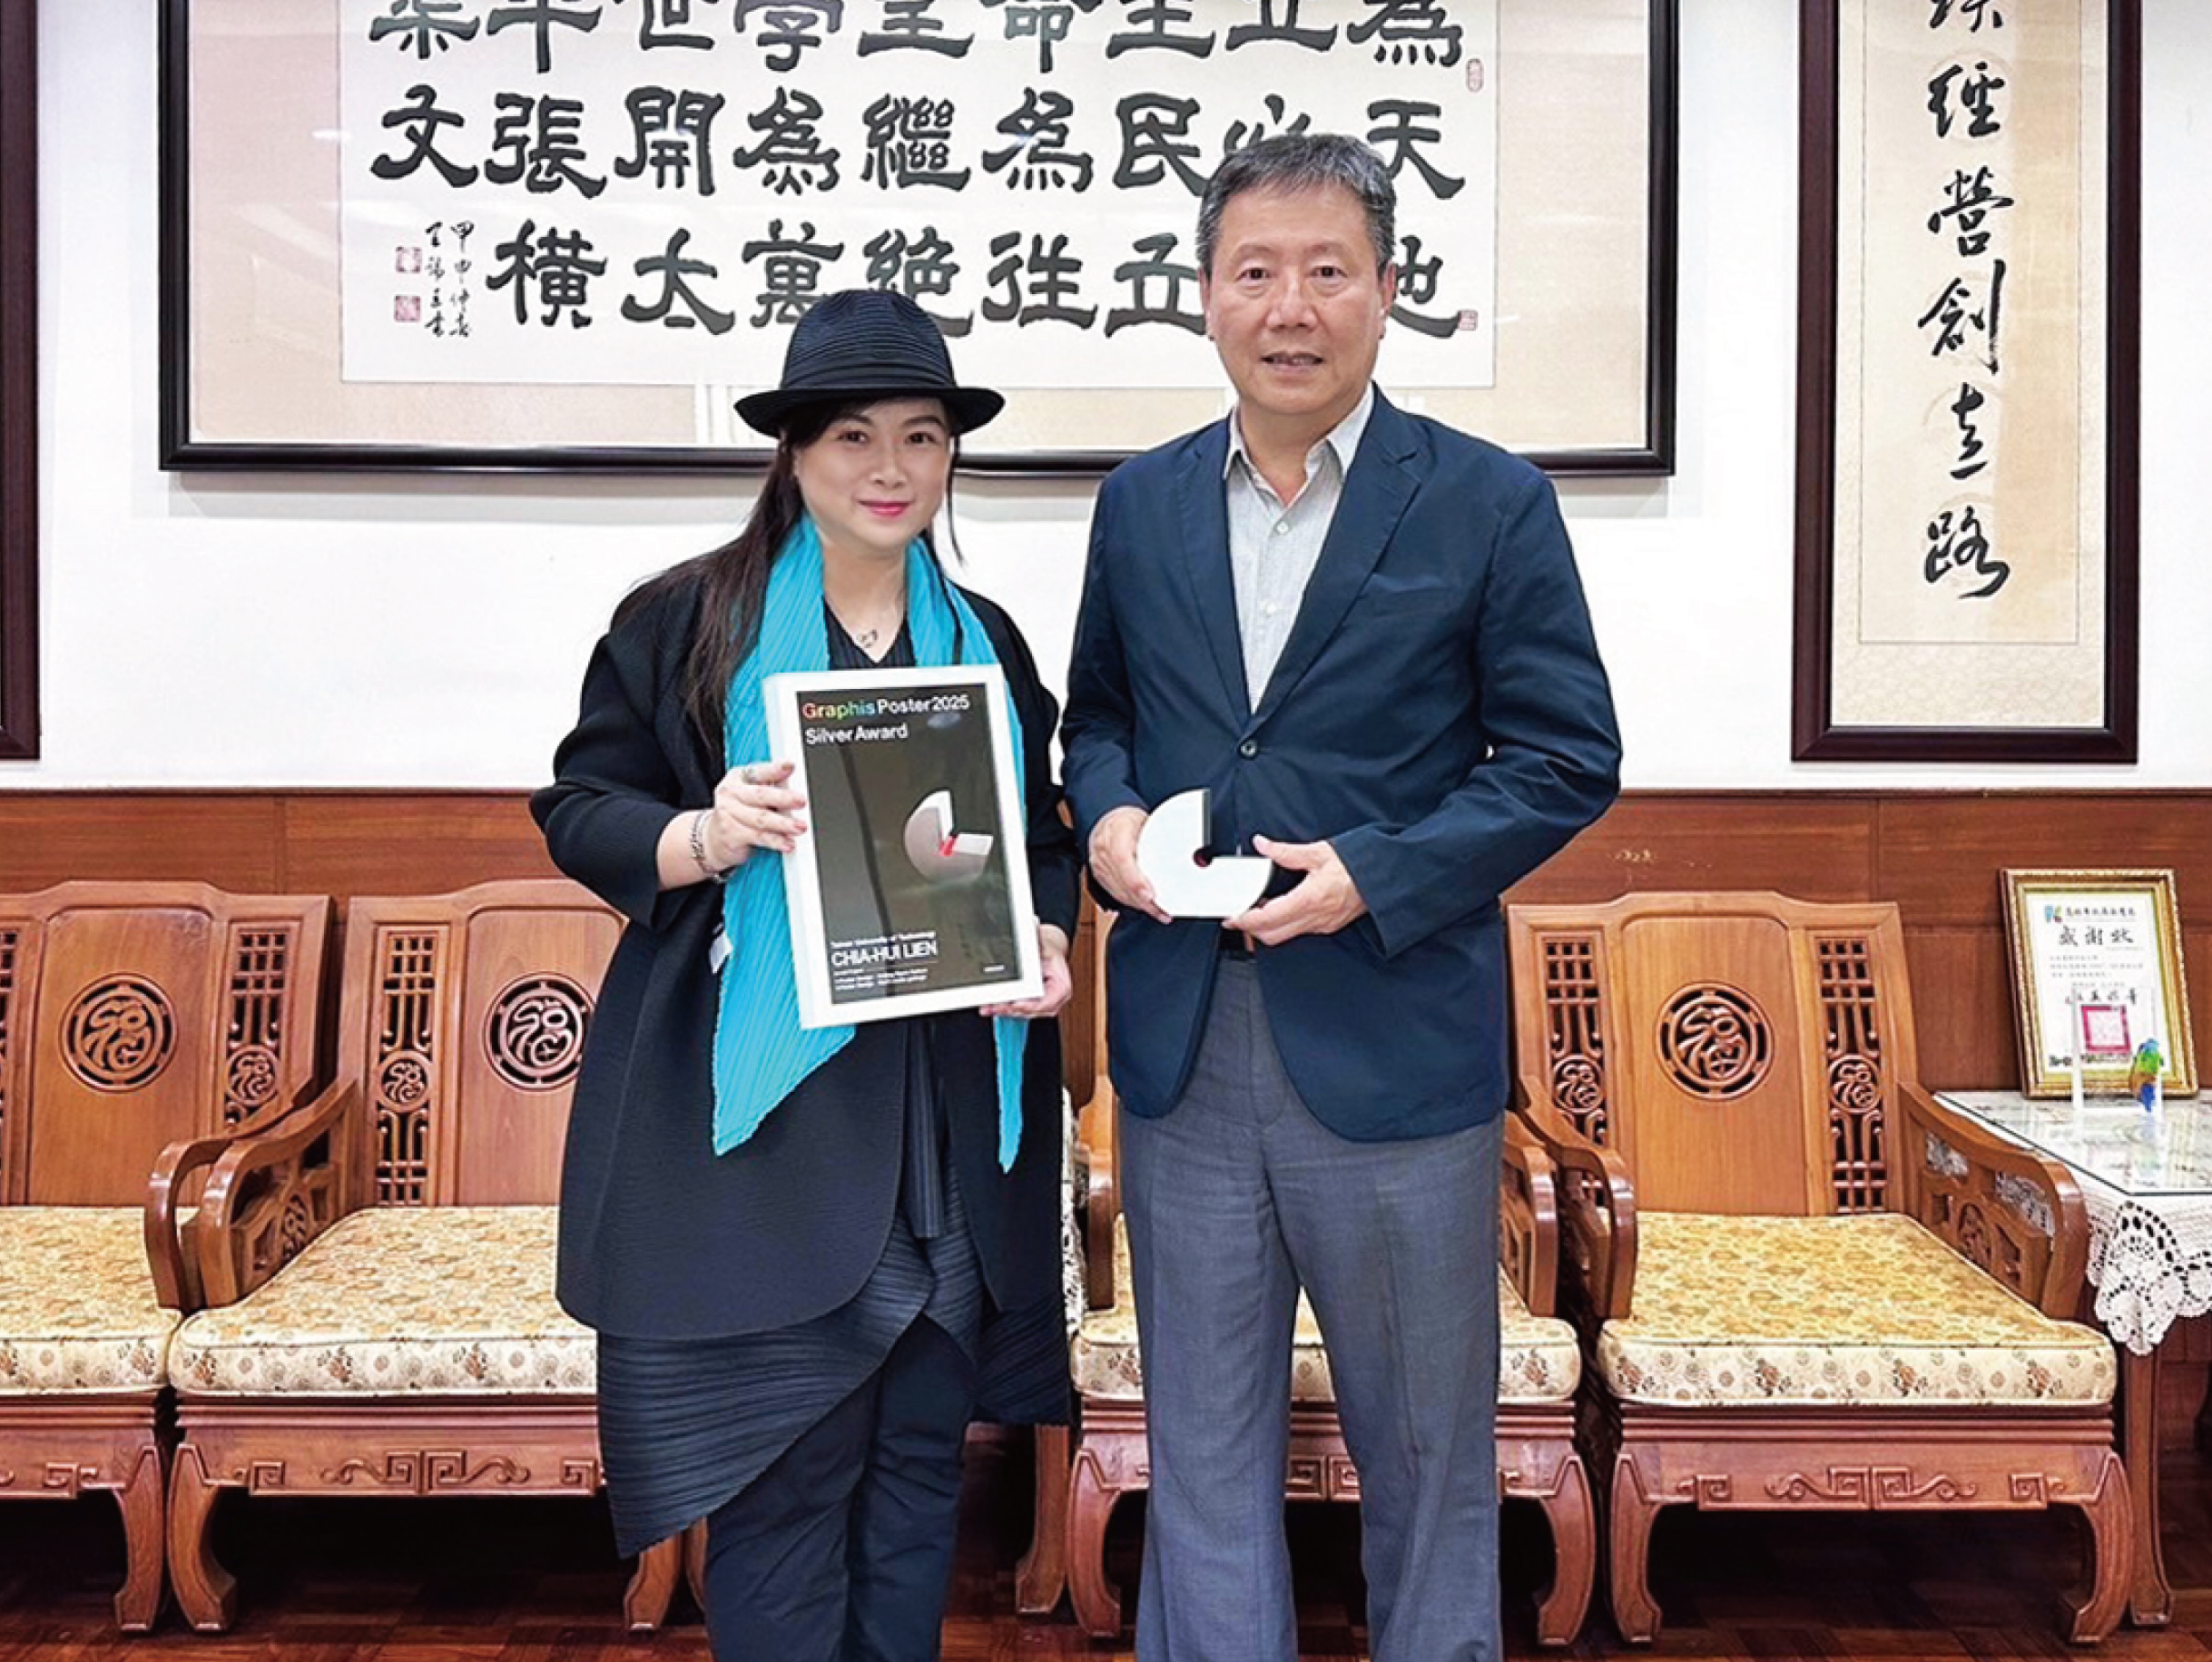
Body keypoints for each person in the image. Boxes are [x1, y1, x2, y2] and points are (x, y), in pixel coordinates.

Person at [1060, 134, 1622, 1662]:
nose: (1288, 306)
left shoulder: (1487, 501)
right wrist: (1107, 823)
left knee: (1426, 1450)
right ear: (1204, 294)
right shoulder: (1141, 502)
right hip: (1182, 1046)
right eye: (1254, 272)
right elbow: (1097, 718)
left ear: (1386, 290)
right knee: (1202, 1450)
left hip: (1390, 1035)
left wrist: (1375, 873)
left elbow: (1565, 757)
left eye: (1326, 271)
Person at [534, 288, 1077, 1662]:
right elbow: (582, 808)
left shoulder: (988, 642)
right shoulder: (688, 623)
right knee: (787, 1483)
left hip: (953, 1129)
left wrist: (1050, 938)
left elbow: (1041, 838)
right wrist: (705, 835)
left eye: (922, 436)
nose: (891, 469)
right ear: (793, 451)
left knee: (920, 1473)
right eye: (853, 436)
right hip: (768, 1144)